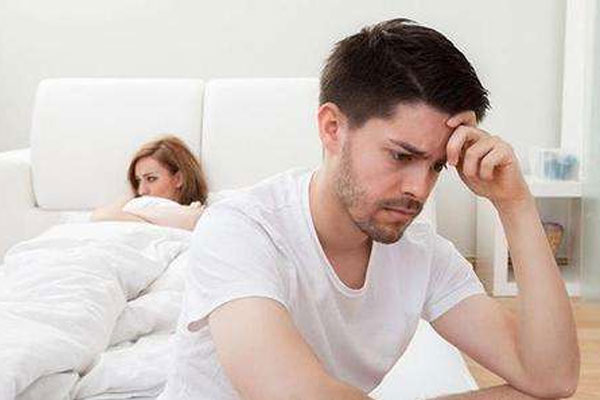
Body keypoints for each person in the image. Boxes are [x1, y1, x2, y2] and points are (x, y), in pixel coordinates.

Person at [159, 19, 580, 400]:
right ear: (332, 128)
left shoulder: (422, 254)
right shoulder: (240, 228)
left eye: (437, 166)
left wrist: (514, 203)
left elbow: (552, 378)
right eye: (401, 156)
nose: (419, 189)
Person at [91, 135, 208, 231]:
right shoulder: (135, 205)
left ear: (178, 179)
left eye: (151, 179)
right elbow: (98, 216)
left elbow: (193, 220)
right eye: (138, 181)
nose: (141, 191)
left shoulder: (206, 213)